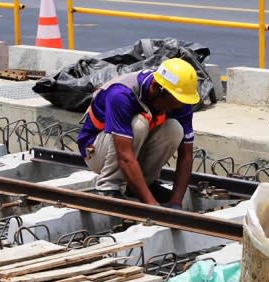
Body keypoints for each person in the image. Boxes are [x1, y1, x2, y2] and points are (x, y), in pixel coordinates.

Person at [76, 58, 200, 208]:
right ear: (156, 88)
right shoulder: (121, 94)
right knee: (139, 125)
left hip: (131, 150)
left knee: (174, 129)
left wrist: (176, 203)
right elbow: (125, 156)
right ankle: (108, 186)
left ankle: (142, 186)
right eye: (171, 105)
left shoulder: (178, 101)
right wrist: (152, 206)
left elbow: (186, 156)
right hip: (97, 150)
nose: (173, 109)